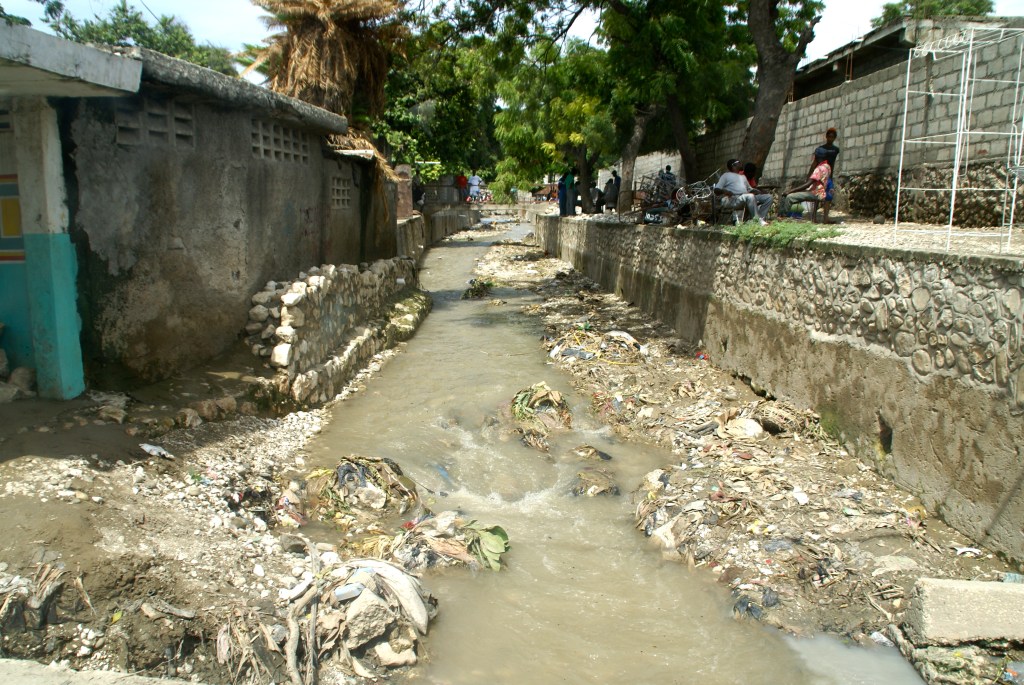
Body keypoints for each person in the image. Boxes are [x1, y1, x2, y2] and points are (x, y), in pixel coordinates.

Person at [714, 158, 772, 225]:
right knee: (750, 196)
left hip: (745, 197)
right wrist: (724, 191)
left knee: (768, 197)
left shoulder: (743, 177)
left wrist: (759, 192)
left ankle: (760, 219)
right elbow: (716, 190)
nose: (741, 164)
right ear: (734, 165)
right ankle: (757, 220)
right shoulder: (726, 176)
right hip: (733, 199)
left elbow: (750, 189)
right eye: (739, 162)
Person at [781, 148, 831, 222]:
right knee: (796, 193)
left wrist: (790, 191)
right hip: (821, 192)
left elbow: (808, 184)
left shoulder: (819, 169)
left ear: (815, 157)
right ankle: (813, 218)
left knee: (789, 197)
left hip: (815, 193)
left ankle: (782, 217)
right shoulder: (827, 167)